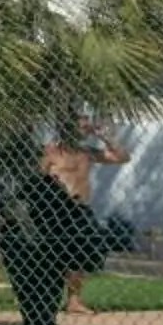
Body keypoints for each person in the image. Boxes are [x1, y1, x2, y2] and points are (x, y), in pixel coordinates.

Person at [37, 123, 127, 314]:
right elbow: (37, 177)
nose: (86, 128)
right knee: (53, 258)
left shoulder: (87, 152)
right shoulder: (51, 152)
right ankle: (46, 301)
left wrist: (106, 137)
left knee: (78, 258)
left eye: (88, 124)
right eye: (82, 123)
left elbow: (122, 157)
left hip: (81, 209)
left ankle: (74, 301)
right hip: (57, 209)